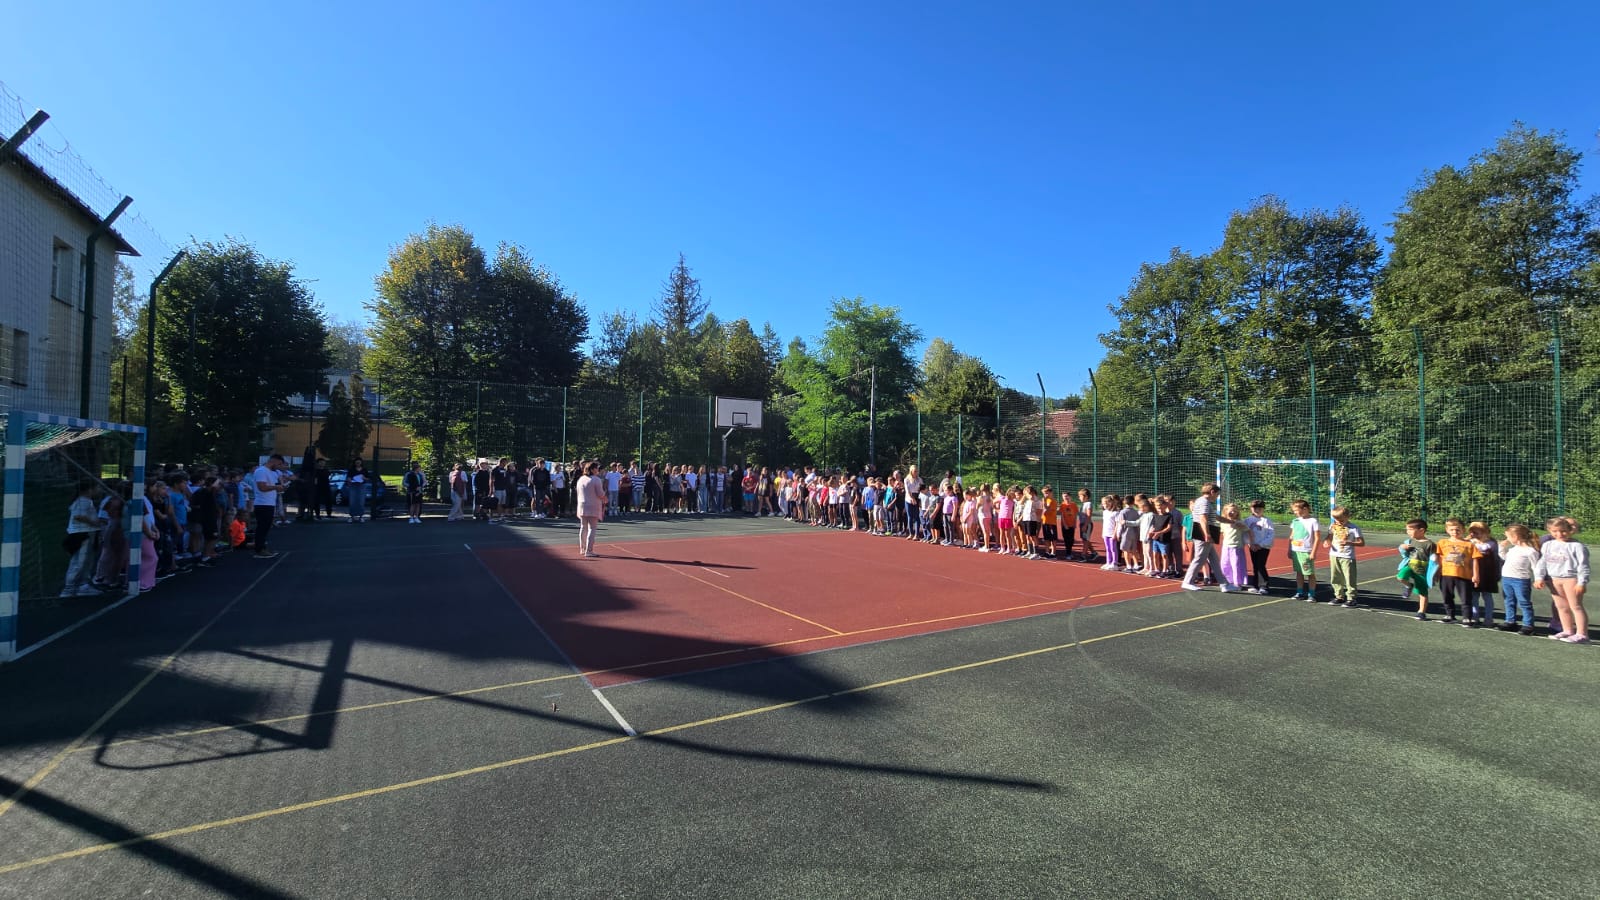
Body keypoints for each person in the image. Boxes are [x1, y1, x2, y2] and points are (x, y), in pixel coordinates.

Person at [1536, 516, 1590, 643]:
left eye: (1563, 531)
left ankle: (1582, 634)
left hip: (1571, 579)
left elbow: (1583, 565)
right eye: (1555, 531)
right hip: (1554, 579)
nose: (1559, 534)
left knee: (1575, 606)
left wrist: (1582, 582)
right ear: (1549, 531)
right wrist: (1539, 577)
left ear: (1570, 530)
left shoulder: (1577, 546)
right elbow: (1542, 563)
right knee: (1561, 606)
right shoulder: (1548, 545)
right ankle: (1567, 630)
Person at [1435, 518, 1482, 626]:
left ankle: (1467, 617)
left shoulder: (1469, 545)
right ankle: (1450, 615)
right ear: (1447, 530)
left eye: (1457, 529)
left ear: (1463, 530)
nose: (1455, 532)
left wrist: (1476, 575)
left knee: (1465, 598)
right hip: (1446, 574)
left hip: (1464, 575)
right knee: (1447, 596)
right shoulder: (1442, 542)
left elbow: (1475, 560)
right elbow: (1439, 559)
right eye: (1452, 530)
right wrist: (1437, 572)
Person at [61, 479, 103, 597]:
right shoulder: (82, 501)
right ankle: (69, 588)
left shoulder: (87, 501)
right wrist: (95, 523)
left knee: (87, 561)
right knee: (79, 562)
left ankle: (83, 585)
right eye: (97, 487)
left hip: (87, 534)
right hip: (82, 535)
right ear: (90, 489)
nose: (99, 490)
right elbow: (79, 516)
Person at [1498, 524, 1539, 635]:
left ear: (1516, 537)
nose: (1507, 539)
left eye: (1508, 537)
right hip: (1507, 578)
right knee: (1509, 600)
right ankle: (1510, 621)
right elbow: (1504, 558)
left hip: (1520, 580)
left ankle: (1528, 625)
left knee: (1524, 602)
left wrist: (1538, 579)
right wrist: (1501, 547)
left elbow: (1535, 566)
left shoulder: (1530, 551)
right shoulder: (1513, 549)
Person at [1181, 483, 1221, 591]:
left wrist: (1231, 522)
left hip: (1202, 533)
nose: (1217, 497)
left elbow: (1215, 517)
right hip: (1202, 534)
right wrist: (1207, 534)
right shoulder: (1204, 502)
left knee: (1214, 560)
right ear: (1212, 492)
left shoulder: (1201, 501)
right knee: (1199, 559)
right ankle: (1187, 582)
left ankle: (1224, 583)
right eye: (1217, 494)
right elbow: (1203, 519)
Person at [1322, 505, 1364, 607]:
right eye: (1336, 519)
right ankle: (1339, 596)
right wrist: (1326, 542)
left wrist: (1349, 543)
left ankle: (1351, 598)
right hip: (1334, 554)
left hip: (1347, 556)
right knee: (1335, 577)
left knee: (1349, 578)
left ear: (1347, 517)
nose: (1338, 522)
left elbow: (1361, 543)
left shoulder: (1354, 528)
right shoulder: (1333, 526)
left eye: (1341, 520)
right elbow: (1329, 537)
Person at [1398, 519, 1437, 621]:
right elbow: (1403, 552)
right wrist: (1402, 547)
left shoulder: (1430, 544)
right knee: (1400, 577)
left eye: (1410, 529)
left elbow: (1434, 559)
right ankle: (1409, 586)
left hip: (1422, 570)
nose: (1408, 532)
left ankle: (1421, 612)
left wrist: (1435, 571)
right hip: (1410, 566)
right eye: (1407, 530)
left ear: (1421, 530)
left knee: (1422, 592)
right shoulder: (1410, 541)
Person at [252, 454, 289, 558]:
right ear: (273, 461)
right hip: (262, 503)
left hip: (269, 503)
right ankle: (259, 549)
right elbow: (262, 487)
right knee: (262, 527)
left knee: (266, 527)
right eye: (279, 464)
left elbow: (275, 484)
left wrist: (281, 486)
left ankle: (262, 547)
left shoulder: (272, 472)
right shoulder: (261, 471)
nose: (279, 466)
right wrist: (276, 487)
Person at [1467, 521, 1501, 626]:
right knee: (1473, 596)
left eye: (1477, 533)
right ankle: (1474, 616)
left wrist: (1497, 573)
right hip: (1473, 573)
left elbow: (1496, 559)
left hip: (1487, 574)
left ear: (1486, 533)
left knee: (1487, 595)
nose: (1474, 535)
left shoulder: (1491, 544)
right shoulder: (1469, 542)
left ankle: (1488, 618)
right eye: (1472, 532)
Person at [1287, 499, 1320, 601]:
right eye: (1294, 511)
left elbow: (1317, 538)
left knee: (1309, 573)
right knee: (1299, 572)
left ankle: (1312, 594)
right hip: (1296, 551)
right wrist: (1289, 549)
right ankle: (1300, 592)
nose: (1295, 512)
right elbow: (1291, 537)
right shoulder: (1295, 521)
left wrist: (1313, 552)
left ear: (1305, 509)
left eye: (1296, 510)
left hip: (1306, 551)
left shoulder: (1313, 521)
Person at [575, 460, 606, 558]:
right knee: (592, 528)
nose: (598, 470)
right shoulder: (596, 480)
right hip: (593, 506)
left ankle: (582, 548)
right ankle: (589, 550)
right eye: (596, 468)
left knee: (583, 527)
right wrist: (605, 498)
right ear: (592, 469)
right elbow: (600, 493)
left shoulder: (581, 479)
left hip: (582, 505)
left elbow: (578, 491)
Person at [1242, 500, 1275, 594]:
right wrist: (1250, 544)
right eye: (1255, 508)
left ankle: (1264, 586)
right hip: (1253, 547)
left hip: (1264, 547)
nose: (1257, 510)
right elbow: (1245, 534)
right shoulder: (1248, 520)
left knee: (1261, 564)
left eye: (1260, 508)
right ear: (1251, 509)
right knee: (1255, 565)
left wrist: (1260, 545)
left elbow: (1270, 535)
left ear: (1263, 509)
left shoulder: (1267, 521)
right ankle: (1255, 585)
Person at [347, 459, 370, 523]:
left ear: (361, 463)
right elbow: (348, 477)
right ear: (354, 463)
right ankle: (352, 517)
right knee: (352, 501)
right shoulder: (351, 469)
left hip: (362, 486)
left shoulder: (364, 469)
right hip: (353, 486)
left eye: (359, 462)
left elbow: (368, 478)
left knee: (361, 501)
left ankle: (361, 517)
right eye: (357, 462)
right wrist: (350, 480)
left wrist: (364, 478)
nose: (358, 463)